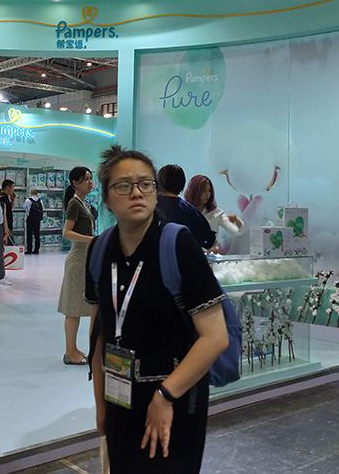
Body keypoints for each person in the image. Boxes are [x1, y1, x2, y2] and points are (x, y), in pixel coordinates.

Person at [85, 145, 228, 473]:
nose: (136, 193)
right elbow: (99, 335)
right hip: (120, 395)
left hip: (174, 399)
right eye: (124, 185)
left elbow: (215, 337)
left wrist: (165, 396)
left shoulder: (178, 245)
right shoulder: (100, 249)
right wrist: (100, 402)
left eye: (145, 184)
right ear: (106, 199)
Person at [59, 166, 95, 366]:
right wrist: (92, 240)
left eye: (91, 178)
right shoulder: (74, 203)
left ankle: (73, 349)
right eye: (86, 179)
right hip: (77, 259)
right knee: (72, 308)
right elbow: (67, 232)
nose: (90, 182)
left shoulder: (83, 202)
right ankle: (69, 352)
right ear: (75, 183)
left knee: (77, 307)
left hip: (85, 258)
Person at [156, 164, 215, 250]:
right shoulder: (190, 211)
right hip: (181, 257)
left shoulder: (150, 207)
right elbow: (209, 239)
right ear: (182, 183)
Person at [184, 174, 244, 253]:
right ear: (195, 191)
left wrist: (236, 220)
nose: (207, 194)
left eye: (209, 191)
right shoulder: (184, 210)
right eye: (203, 191)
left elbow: (238, 232)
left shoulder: (216, 213)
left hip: (210, 257)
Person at [23, 188, 44, 254]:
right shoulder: (40, 200)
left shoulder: (28, 200)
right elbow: (42, 208)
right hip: (37, 220)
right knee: (37, 235)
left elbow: (24, 207)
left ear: (31, 193)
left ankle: (29, 249)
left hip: (30, 219)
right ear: (37, 193)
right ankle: (36, 249)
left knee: (29, 235)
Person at [0, 179, 16, 245]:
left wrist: (12, 200)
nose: (13, 190)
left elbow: (11, 209)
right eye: (12, 188)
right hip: (5, 227)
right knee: (10, 245)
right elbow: (3, 215)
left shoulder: (6, 198)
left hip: (8, 226)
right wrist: (6, 228)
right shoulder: (2, 199)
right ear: (7, 187)